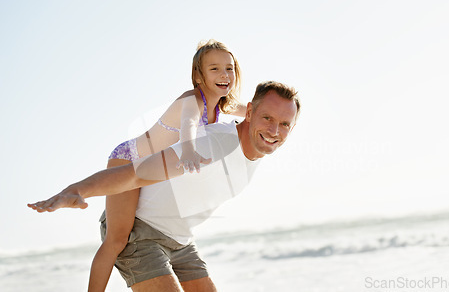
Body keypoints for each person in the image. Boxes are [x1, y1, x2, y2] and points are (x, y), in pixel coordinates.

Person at [28, 81, 301, 292]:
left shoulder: (256, 148)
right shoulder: (214, 144)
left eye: (285, 124)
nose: (275, 131)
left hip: (181, 242)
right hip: (140, 232)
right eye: (267, 118)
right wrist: (76, 190)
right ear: (251, 112)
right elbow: (136, 174)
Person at [93, 39, 246, 292]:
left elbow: (255, 111)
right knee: (117, 238)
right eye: (214, 69)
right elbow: (189, 125)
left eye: (229, 68)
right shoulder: (193, 100)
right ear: (199, 75)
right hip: (128, 158)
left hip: (152, 169)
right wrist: (189, 150)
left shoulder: (223, 104)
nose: (224, 74)